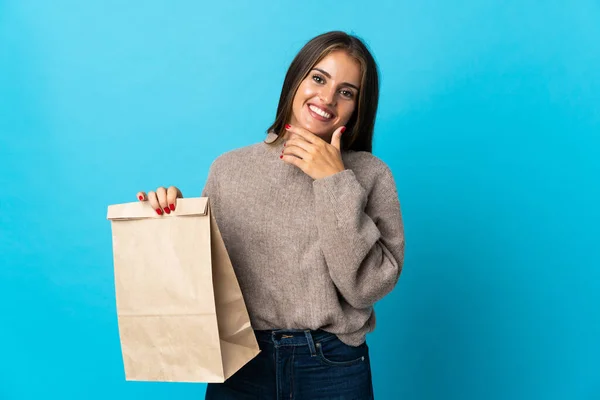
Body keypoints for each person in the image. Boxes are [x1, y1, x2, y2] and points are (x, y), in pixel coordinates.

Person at [136, 31, 405, 399]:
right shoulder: (229, 170)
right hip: (241, 363)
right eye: (318, 78)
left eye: (346, 91)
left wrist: (334, 181)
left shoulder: (371, 175)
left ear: (358, 106)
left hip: (333, 366)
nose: (326, 98)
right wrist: (176, 219)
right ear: (296, 78)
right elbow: (203, 281)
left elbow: (366, 288)